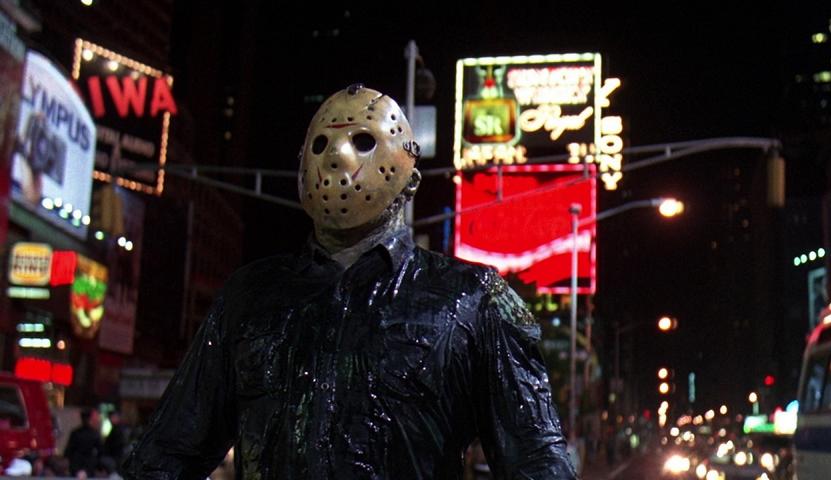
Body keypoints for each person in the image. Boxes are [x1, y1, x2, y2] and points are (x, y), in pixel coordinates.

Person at [121, 84, 576, 479]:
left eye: (363, 141)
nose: (337, 157)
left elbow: (537, 459)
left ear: (411, 178)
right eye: (320, 144)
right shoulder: (250, 297)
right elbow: (167, 456)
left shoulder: (472, 299)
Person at [64, 408, 103, 477]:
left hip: (75, 464)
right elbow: (100, 451)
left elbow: (69, 450)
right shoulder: (95, 434)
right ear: (89, 420)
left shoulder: (75, 432)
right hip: (89, 465)